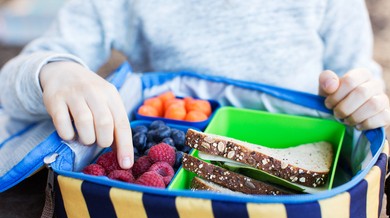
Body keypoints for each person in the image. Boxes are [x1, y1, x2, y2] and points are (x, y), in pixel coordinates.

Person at [0, 0, 389, 170]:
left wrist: (364, 97)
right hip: (179, 175)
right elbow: (13, 82)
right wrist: (55, 70)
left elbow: (360, 73)